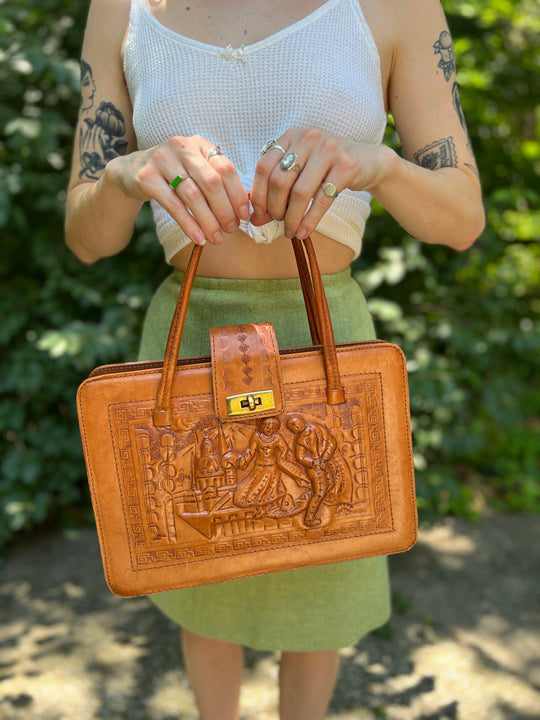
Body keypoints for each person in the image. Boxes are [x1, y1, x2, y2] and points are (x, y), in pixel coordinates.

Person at [65, 0, 485, 717]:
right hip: (188, 338)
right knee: (201, 578)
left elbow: (462, 216)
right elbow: (86, 236)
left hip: (326, 341)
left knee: (322, 586)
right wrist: (124, 175)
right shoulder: (123, 9)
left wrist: (377, 166)